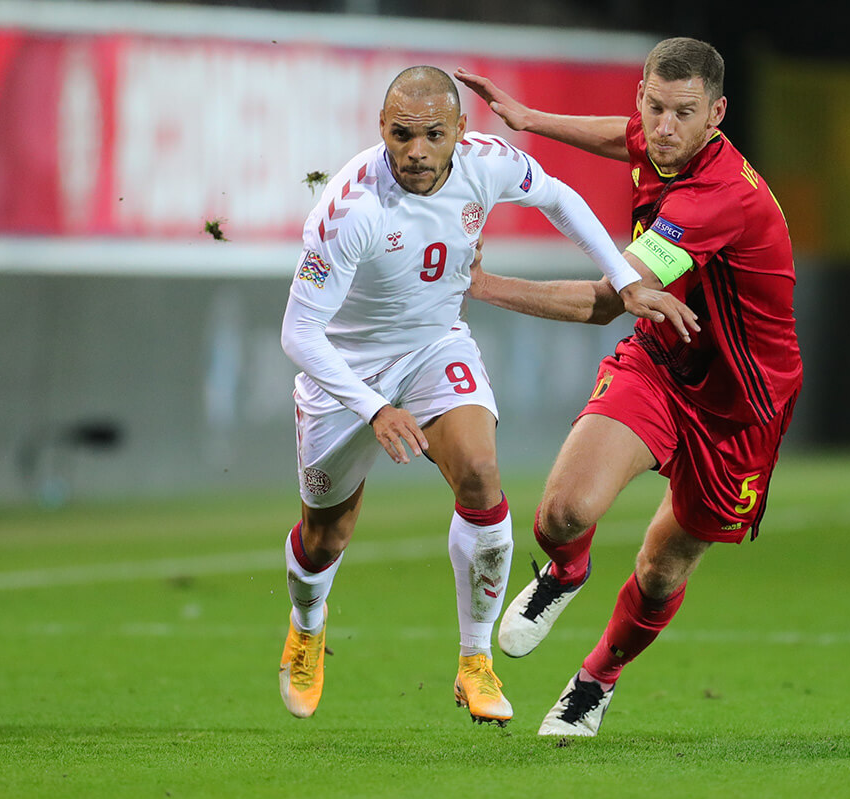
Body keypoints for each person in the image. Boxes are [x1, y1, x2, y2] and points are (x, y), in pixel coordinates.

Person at [277, 65, 696, 726]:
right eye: (402, 133)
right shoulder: (349, 208)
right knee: (325, 537)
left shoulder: (486, 164)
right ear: (381, 130)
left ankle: (475, 662)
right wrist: (375, 408)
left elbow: (559, 198)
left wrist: (623, 277)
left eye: (433, 134)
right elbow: (298, 333)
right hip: (346, 370)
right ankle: (307, 626)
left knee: (480, 475)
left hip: (434, 345)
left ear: (460, 132)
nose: (416, 149)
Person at [455, 36, 803, 736]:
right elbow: (629, 139)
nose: (664, 128)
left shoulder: (716, 199)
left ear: (718, 114)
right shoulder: (661, 136)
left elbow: (605, 301)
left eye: (684, 113)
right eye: (655, 107)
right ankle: (567, 571)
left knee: (661, 568)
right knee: (560, 515)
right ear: (642, 95)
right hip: (663, 361)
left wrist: (479, 284)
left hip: (740, 408)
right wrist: (528, 118)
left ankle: (596, 678)